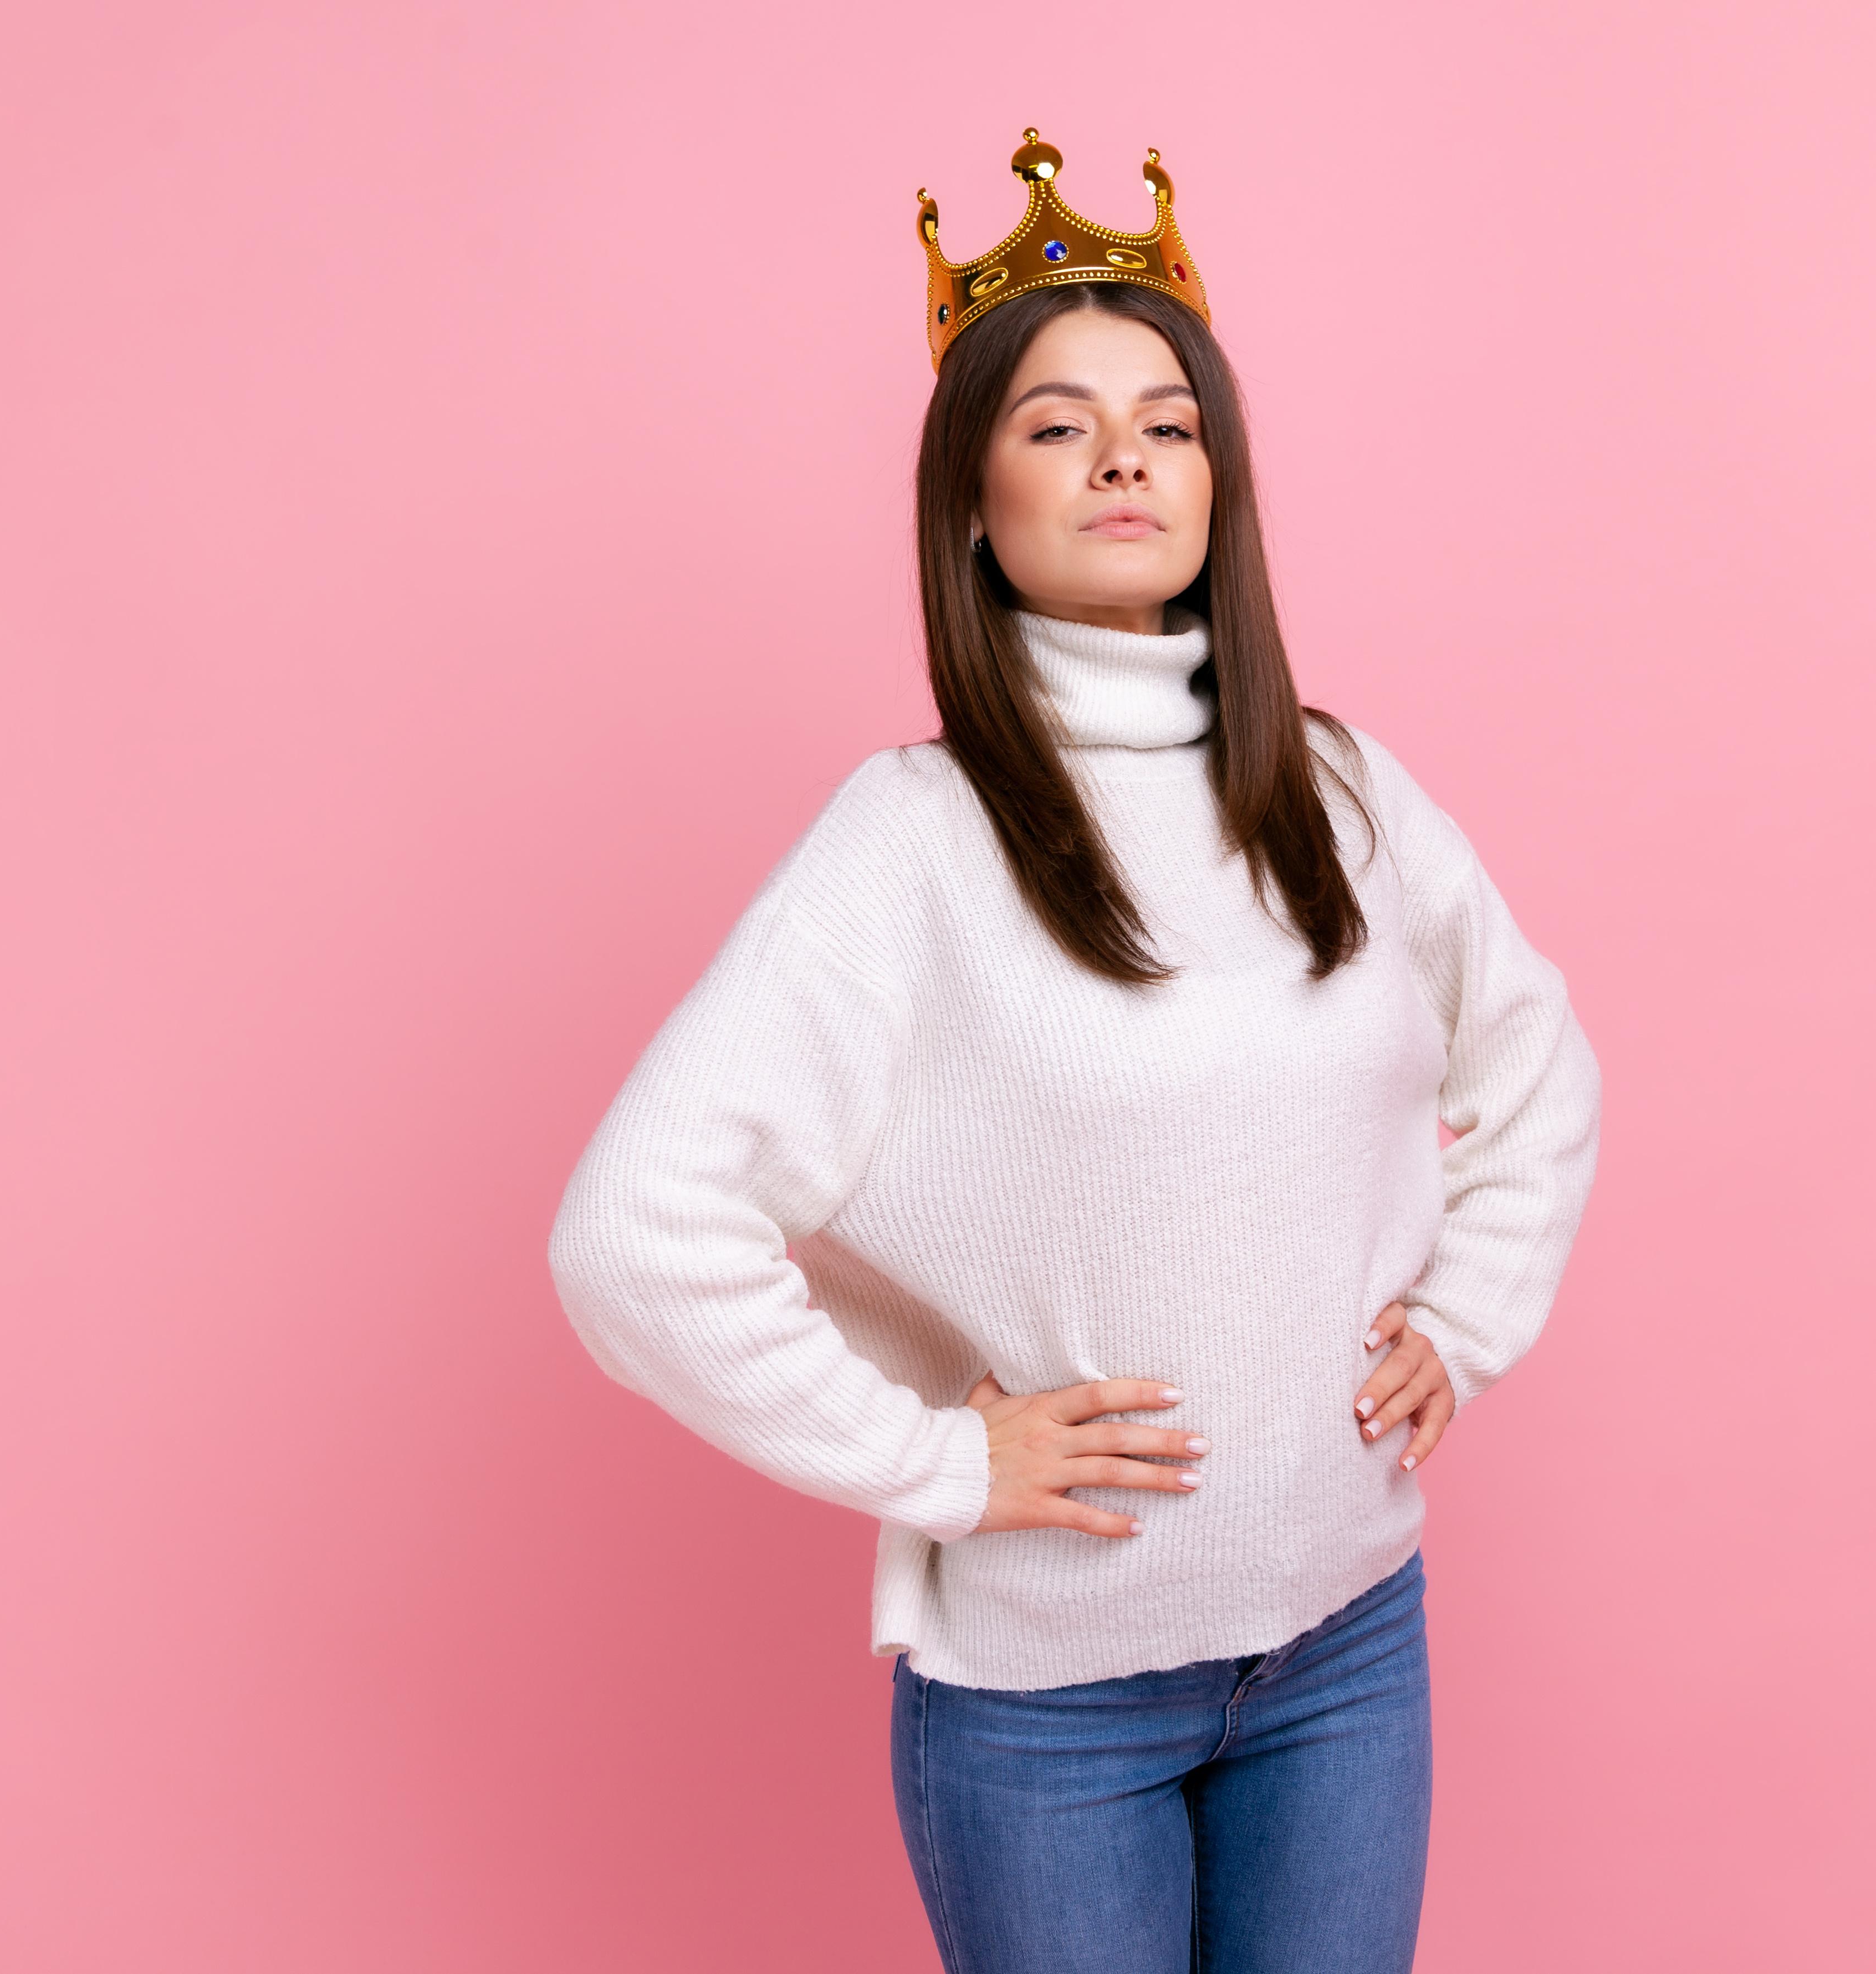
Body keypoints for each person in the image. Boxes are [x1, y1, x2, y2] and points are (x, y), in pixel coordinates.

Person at [549, 130, 1602, 1974]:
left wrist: (1470, 1312)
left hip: (1349, 1648)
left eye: (1168, 423)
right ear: (972, 500)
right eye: (1059, 424)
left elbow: (1536, 1060)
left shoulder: (1336, 790)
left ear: (1217, 482)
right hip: (1052, 1717)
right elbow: (633, 1234)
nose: (1126, 456)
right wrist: (942, 1467)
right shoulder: (911, 844)